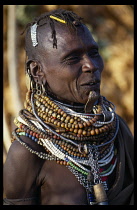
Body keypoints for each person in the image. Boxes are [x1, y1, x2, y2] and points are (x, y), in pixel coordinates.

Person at [3, 8, 134, 205]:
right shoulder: (28, 152)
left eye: (94, 52)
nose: (91, 65)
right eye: (73, 58)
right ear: (38, 71)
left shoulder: (116, 131)